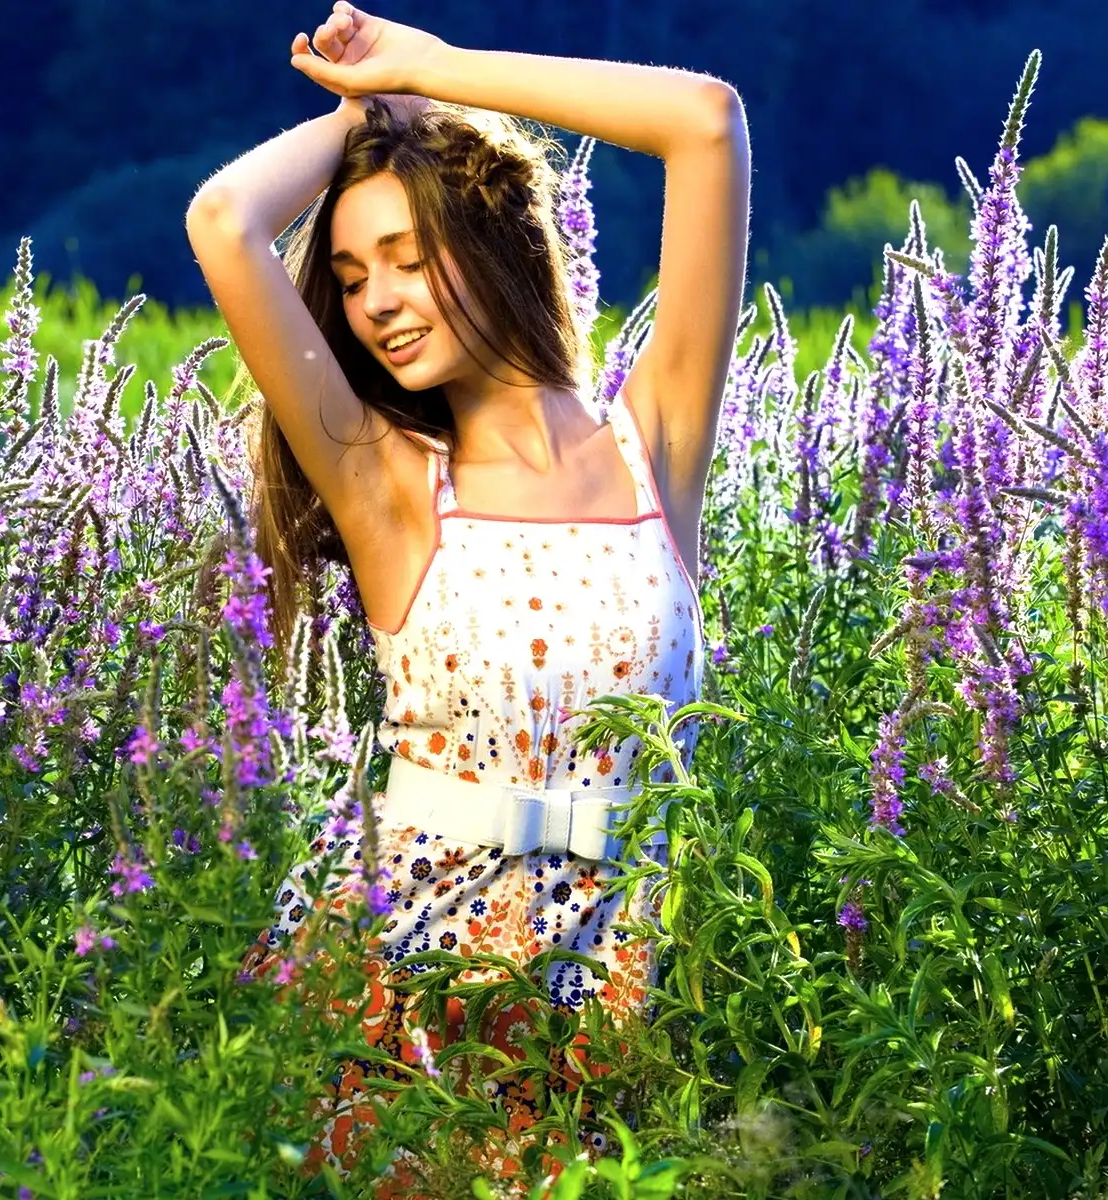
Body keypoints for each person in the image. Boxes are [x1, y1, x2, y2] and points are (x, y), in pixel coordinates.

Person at [184, 2, 749, 1192]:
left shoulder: (658, 446)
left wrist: (437, 75)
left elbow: (705, 123)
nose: (375, 299)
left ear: (494, 236)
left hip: (629, 966)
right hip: (419, 973)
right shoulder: (387, 484)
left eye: (405, 255)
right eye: (348, 275)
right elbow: (226, 221)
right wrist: (365, 119)